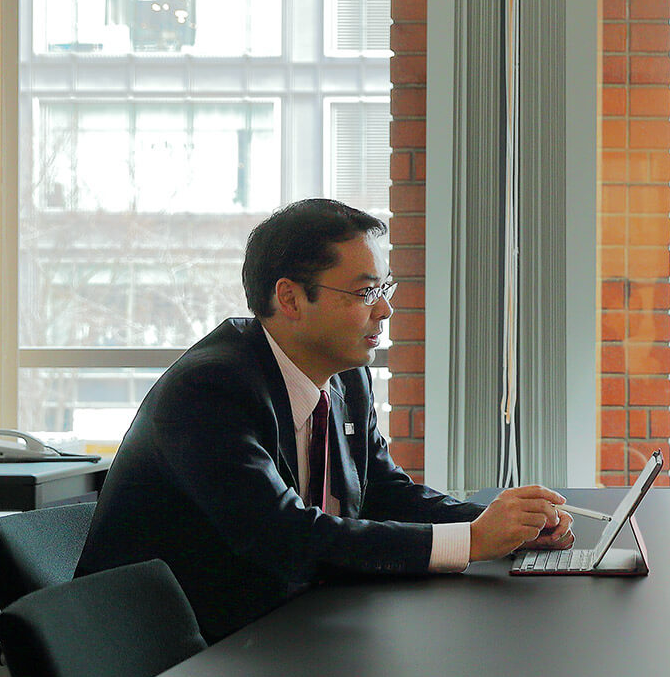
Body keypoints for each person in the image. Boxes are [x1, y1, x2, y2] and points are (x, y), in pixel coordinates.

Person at [77, 198, 576, 642]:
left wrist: (498, 527)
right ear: (291, 299)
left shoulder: (345, 377)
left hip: (286, 627)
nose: (384, 309)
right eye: (364, 293)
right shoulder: (211, 390)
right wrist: (471, 542)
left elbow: (382, 491)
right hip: (176, 652)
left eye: (384, 287)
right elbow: (283, 537)